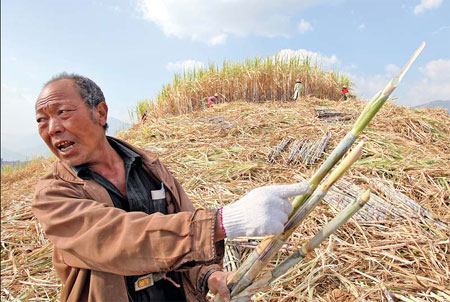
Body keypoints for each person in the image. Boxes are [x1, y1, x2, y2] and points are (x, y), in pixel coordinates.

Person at [32, 73, 310, 302]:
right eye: (41, 120)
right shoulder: (53, 195)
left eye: (62, 113)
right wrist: (223, 222)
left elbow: (183, 233)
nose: (52, 128)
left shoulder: (149, 167)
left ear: (100, 112)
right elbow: (118, 238)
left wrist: (208, 276)